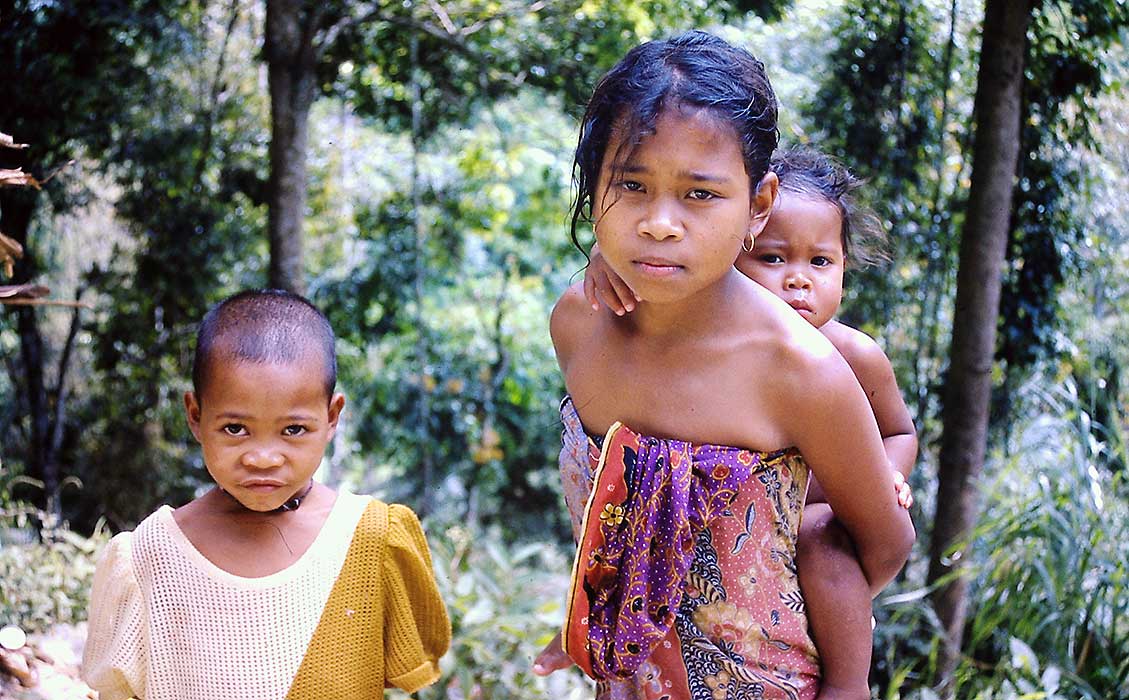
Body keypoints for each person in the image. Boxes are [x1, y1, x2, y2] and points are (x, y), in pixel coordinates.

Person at [539, 31, 914, 700]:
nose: (659, 223)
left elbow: (881, 545)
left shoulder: (801, 372)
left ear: (758, 205)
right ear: (594, 185)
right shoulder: (577, 324)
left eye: (699, 194)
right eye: (631, 184)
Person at [81, 289, 451, 700]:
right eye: (235, 429)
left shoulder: (371, 539)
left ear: (332, 417)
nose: (262, 458)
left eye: (293, 429)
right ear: (196, 416)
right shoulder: (150, 556)